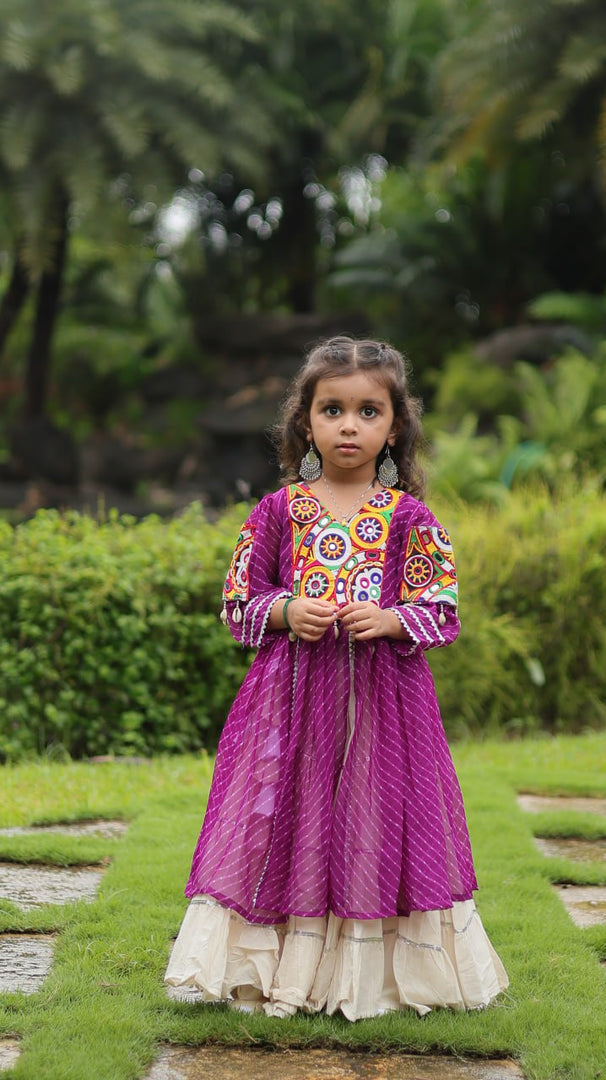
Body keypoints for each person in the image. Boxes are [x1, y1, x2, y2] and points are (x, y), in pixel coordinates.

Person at [165, 336, 508, 1019]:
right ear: (305, 422)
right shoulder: (278, 511)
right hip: (289, 704)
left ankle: (368, 974)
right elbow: (239, 601)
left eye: (368, 411)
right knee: (288, 819)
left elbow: (440, 608)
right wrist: (288, 609)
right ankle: (271, 967)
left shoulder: (409, 518)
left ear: (395, 426)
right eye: (332, 409)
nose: (349, 425)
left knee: (370, 819)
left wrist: (390, 621)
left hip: (383, 707)